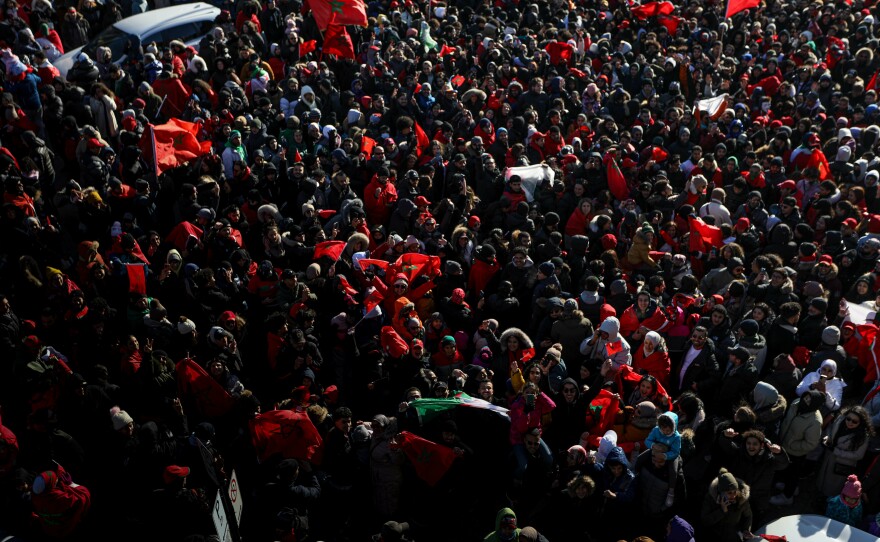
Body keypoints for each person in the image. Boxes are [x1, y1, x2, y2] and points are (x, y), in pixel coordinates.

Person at [816, 406, 873, 497]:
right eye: (848, 419)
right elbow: (831, 430)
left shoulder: (863, 437)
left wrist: (836, 451)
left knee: (833, 486)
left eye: (854, 421)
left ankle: (829, 501)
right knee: (823, 478)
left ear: (861, 422)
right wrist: (827, 438)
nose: (850, 422)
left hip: (842, 465)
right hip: (829, 458)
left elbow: (858, 455)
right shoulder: (840, 420)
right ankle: (819, 494)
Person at [701, 468, 753, 542]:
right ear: (721, 492)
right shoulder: (710, 499)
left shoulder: (741, 499)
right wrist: (722, 511)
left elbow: (748, 516)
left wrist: (746, 529)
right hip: (714, 536)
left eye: (735, 492)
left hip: (733, 536)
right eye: (729, 493)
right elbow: (705, 521)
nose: (733, 495)